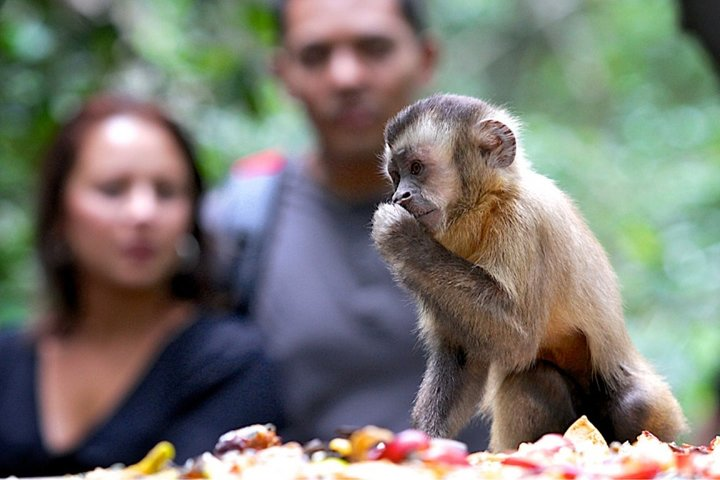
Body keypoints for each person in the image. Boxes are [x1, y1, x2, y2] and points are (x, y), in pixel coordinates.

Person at [202, 0, 490, 450]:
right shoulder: (236, 223)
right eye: (315, 56)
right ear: (284, 74)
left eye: (374, 48)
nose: (346, 77)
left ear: (426, 57)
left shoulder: (500, 208)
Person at [0, 94, 284, 477]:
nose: (142, 214)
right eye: (112, 189)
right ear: (59, 212)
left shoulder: (228, 361)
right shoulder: (9, 357)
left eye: (166, 192)